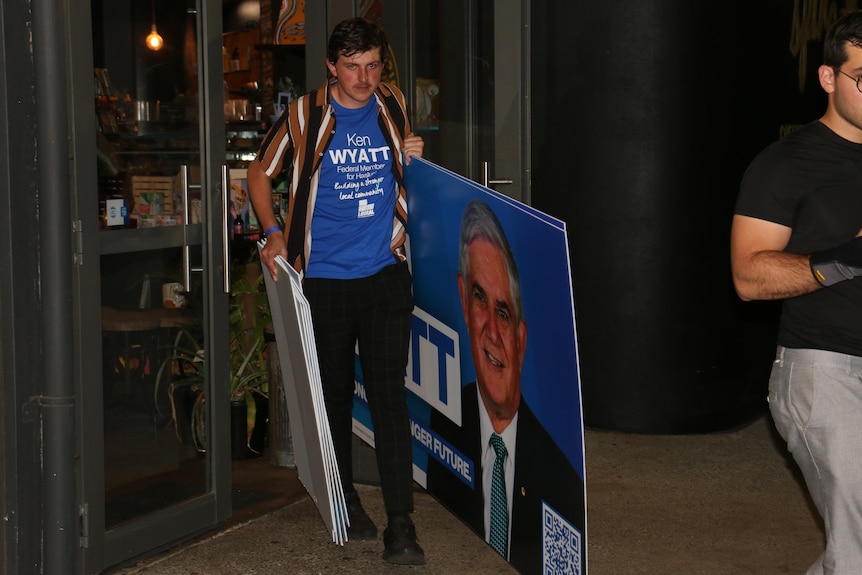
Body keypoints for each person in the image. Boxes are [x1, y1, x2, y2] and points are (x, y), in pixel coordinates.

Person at [247, 17, 425, 565]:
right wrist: (273, 234)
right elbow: (259, 172)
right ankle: (346, 499)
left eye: (373, 65)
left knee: (391, 400)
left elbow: (405, 167)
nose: (365, 77)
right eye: (353, 67)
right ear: (332, 66)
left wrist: (412, 153)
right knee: (335, 400)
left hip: (385, 276)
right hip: (324, 282)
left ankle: (402, 525)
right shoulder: (305, 115)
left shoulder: (391, 102)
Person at [730, 10, 862, 575]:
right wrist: (848, 259)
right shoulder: (787, 163)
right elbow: (748, 277)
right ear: (830, 78)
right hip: (824, 370)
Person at [426, 199, 585, 574]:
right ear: (464, 302)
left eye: (504, 313)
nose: (493, 333)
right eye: (480, 299)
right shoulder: (445, 421)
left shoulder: (562, 483)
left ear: (522, 338)